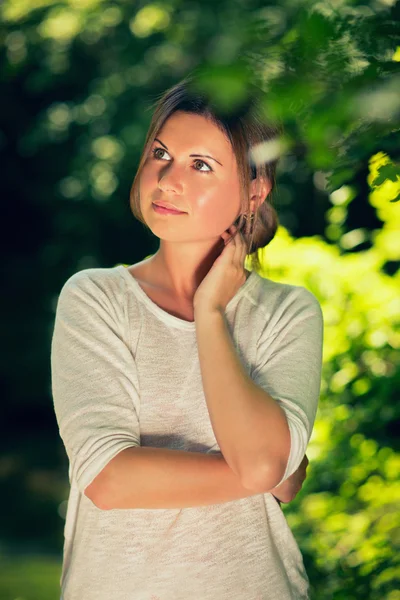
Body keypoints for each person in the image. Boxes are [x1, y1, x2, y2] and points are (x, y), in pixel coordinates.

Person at [51, 72, 323, 600]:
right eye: (160, 154)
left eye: (200, 165)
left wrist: (211, 311)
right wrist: (265, 471)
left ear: (254, 190)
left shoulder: (288, 312)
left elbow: (268, 462)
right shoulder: (95, 298)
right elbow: (109, 480)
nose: (167, 179)